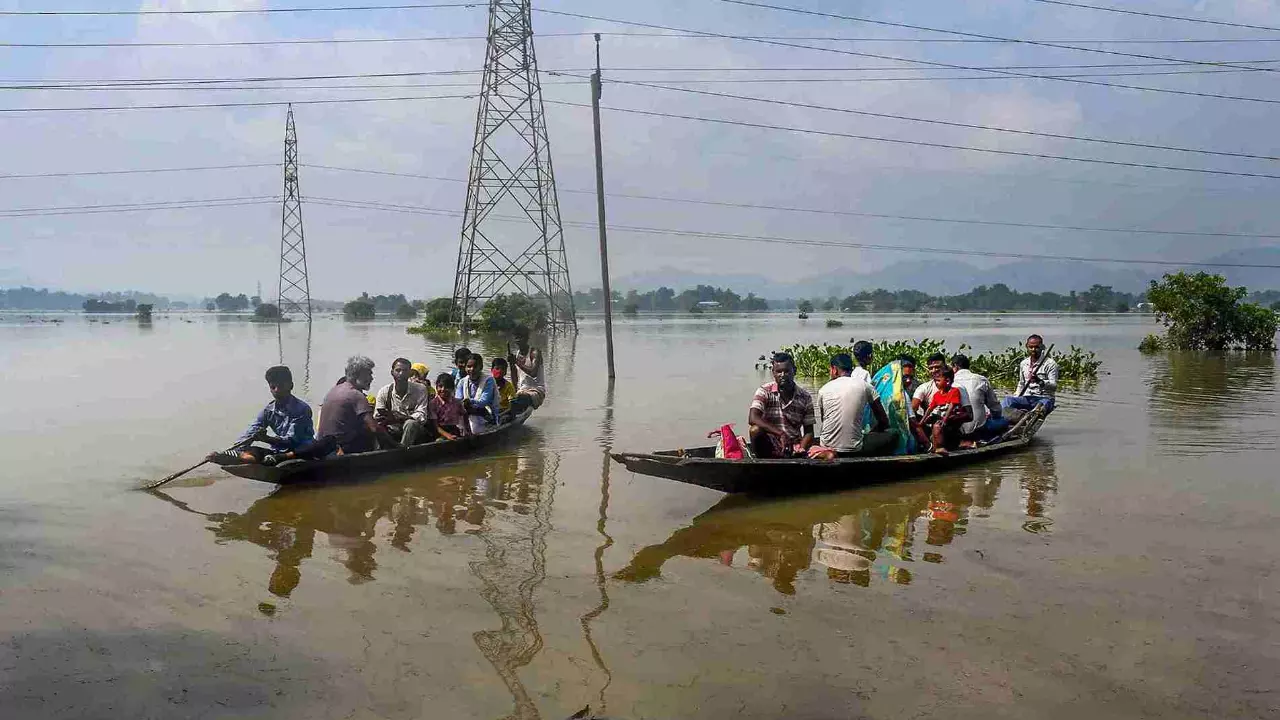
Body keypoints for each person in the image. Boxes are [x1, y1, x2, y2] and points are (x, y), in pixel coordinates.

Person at [209, 365, 316, 465]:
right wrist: (231, 451)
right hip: (277, 453)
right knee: (251, 450)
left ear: (291, 386)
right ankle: (244, 458)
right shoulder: (269, 411)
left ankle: (259, 459)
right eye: (273, 387)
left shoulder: (302, 409)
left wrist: (266, 439)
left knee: (307, 449)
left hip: (299, 451)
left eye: (281, 386)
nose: (277, 390)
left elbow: (291, 441)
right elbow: (251, 432)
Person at [810, 353, 894, 458]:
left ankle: (828, 452)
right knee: (893, 434)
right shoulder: (865, 386)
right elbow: (883, 420)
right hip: (855, 448)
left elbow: (824, 421)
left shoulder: (823, 389)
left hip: (828, 444)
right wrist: (872, 433)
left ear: (834, 369)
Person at [317, 356, 401, 455]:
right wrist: (396, 446)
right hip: (341, 447)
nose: (371, 378)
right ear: (357, 375)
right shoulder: (356, 395)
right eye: (369, 374)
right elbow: (374, 428)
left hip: (324, 444)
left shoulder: (334, 390)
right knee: (372, 431)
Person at [748, 352, 815, 459]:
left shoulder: (805, 397)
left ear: (795, 371)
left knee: (828, 455)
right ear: (773, 373)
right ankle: (762, 464)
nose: (783, 375)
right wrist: (780, 434)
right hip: (770, 445)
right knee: (755, 430)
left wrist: (801, 449)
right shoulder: (764, 391)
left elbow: (809, 431)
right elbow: (753, 418)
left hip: (793, 445)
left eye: (787, 371)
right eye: (779, 372)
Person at [913, 367, 973, 454]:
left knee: (937, 426)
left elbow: (952, 406)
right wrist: (922, 422)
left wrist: (944, 419)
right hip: (941, 418)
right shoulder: (937, 395)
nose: (936, 383)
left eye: (938, 381)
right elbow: (930, 408)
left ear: (947, 381)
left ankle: (939, 447)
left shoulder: (954, 391)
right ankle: (932, 446)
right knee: (927, 424)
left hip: (951, 420)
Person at [375, 357, 433, 446]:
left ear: (409, 373)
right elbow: (377, 415)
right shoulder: (384, 391)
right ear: (392, 373)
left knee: (410, 424)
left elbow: (422, 416)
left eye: (405, 371)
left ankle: (403, 451)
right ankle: (378, 452)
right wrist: (386, 418)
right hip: (393, 428)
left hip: (416, 430)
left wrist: (402, 418)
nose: (401, 374)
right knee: (376, 426)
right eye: (398, 370)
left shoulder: (420, 389)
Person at [950, 353, 1008, 444]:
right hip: (979, 429)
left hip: (955, 430)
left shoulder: (949, 382)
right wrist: (994, 417)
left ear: (955, 367)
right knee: (1004, 422)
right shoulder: (981, 379)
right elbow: (995, 408)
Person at [1003, 334, 1059, 415]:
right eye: (1031, 347)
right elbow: (1021, 383)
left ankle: (1033, 413)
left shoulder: (1050, 364)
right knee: (1008, 400)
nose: (1033, 349)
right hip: (1027, 398)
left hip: (1044, 398)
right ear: (1027, 347)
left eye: (1037, 347)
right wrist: (1016, 397)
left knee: (1043, 405)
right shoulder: (1024, 363)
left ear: (1042, 347)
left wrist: (1039, 381)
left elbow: (1054, 387)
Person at [460, 353, 500, 434]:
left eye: (475, 367)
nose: (471, 369)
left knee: (473, 429)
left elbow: (483, 402)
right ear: (465, 367)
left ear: (481, 367)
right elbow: (457, 400)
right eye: (469, 366)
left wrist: (470, 401)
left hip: (485, 416)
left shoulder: (489, 380)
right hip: (467, 413)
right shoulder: (463, 381)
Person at [508, 329, 546, 414]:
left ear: (527, 338)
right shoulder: (517, 354)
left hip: (536, 391)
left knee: (520, 398)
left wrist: (517, 362)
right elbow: (514, 377)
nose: (518, 340)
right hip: (522, 391)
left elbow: (534, 373)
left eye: (521, 337)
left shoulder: (535, 352)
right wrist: (513, 391)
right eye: (516, 338)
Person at [431, 373, 468, 440]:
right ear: (436, 387)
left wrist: (467, 430)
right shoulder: (433, 404)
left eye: (447, 387)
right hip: (439, 431)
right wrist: (448, 435)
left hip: (453, 428)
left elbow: (464, 414)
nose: (443, 389)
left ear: (452, 389)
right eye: (440, 386)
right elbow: (435, 426)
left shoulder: (457, 402)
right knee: (439, 441)